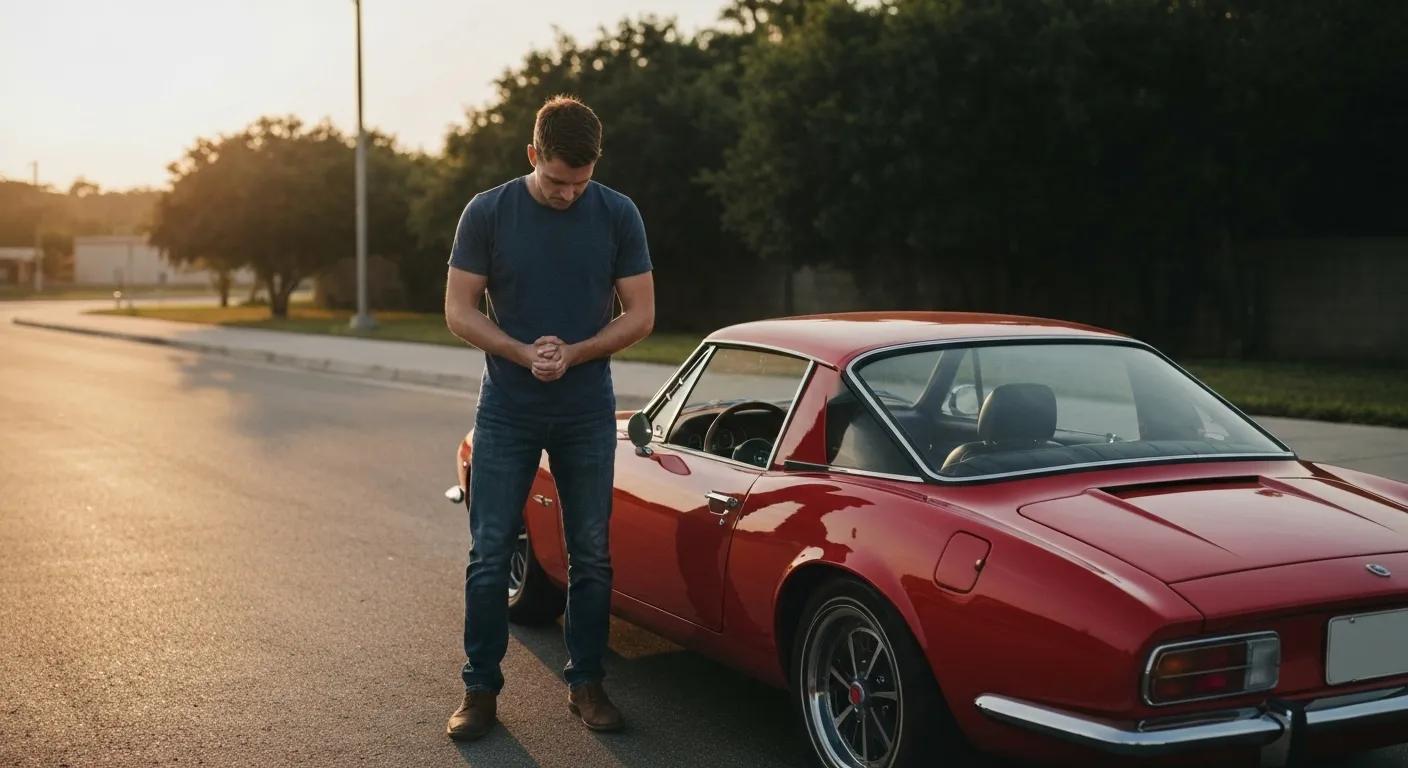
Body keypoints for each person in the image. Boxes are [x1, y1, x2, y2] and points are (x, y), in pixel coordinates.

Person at [442, 95, 655, 741]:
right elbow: (459, 308)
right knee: (490, 553)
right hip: (507, 407)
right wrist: (518, 350)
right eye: (558, 180)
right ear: (534, 154)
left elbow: (641, 315)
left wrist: (579, 352)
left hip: (588, 409)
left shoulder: (618, 213)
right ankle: (480, 691)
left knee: (592, 553)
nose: (568, 194)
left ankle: (586, 683)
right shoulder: (489, 210)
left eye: (580, 182)